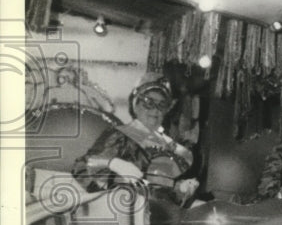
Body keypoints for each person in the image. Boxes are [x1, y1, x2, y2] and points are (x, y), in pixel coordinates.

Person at [73, 77, 199, 208]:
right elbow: (81, 168)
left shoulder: (166, 145)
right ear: (135, 105)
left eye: (161, 105)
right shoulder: (120, 135)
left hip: (156, 216)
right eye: (148, 102)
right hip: (122, 215)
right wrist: (112, 163)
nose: (155, 110)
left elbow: (161, 193)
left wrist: (181, 189)